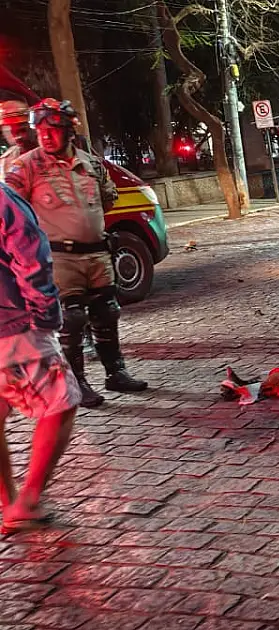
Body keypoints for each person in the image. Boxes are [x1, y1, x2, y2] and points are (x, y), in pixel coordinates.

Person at [5, 99, 147, 407]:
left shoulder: (91, 163)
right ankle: (77, 383)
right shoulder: (26, 166)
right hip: (59, 258)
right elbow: (10, 210)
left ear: (69, 130)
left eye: (53, 128)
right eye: (40, 129)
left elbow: (108, 197)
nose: (45, 135)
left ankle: (116, 373)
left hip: (97, 254)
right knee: (71, 320)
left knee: (107, 313)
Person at [0, 179, 80, 533]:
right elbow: (31, 259)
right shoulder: (4, 201)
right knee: (61, 403)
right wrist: (46, 317)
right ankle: (27, 501)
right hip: (15, 329)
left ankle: (9, 502)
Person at [0, 98, 35, 182]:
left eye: (22, 130)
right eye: (10, 132)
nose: (17, 137)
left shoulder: (48, 155)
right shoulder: (4, 162)